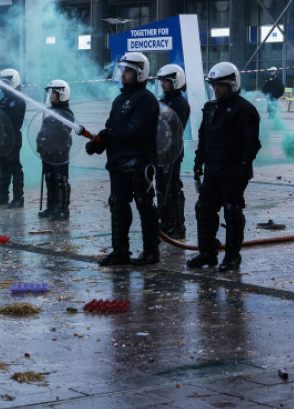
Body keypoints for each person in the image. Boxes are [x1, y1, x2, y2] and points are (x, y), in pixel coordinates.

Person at [85, 52, 160, 267]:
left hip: (139, 163)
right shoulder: (120, 100)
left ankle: (151, 252)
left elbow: (135, 130)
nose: (123, 74)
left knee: (145, 206)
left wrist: (108, 135)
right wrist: (98, 143)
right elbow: (112, 128)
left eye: (128, 70)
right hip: (117, 164)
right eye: (123, 70)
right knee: (117, 206)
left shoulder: (146, 100)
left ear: (139, 73)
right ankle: (120, 252)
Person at [188, 62, 262, 272]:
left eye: (220, 85)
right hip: (213, 170)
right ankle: (207, 252)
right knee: (204, 209)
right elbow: (204, 139)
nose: (216, 89)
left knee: (232, 211)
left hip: (233, 171)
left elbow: (252, 143)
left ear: (232, 84)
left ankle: (232, 257)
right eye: (213, 85)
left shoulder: (245, 110)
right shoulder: (210, 108)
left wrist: (243, 166)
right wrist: (198, 165)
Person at [155, 64, 190, 241]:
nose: (163, 84)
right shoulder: (163, 101)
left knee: (173, 188)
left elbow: (175, 127)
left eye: (166, 81)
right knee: (161, 188)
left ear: (175, 82)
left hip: (173, 152)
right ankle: (165, 222)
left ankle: (177, 225)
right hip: (161, 151)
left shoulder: (180, 103)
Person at [0, 68, 26, 209]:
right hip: (1, 138)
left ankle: (18, 198)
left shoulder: (18, 100)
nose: (3, 85)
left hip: (12, 138)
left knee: (14, 167)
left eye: (6, 83)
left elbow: (10, 121)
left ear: (14, 82)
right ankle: (2, 196)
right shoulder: (4, 99)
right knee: (3, 166)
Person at [36, 79, 75, 220]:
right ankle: (51, 207)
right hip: (48, 152)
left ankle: (62, 210)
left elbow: (64, 131)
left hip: (60, 152)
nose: (50, 95)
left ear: (61, 94)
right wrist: (39, 142)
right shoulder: (50, 111)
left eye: (53, 92)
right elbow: (44, 129)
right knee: (49, 178)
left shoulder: (67, 113)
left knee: (60, 180)